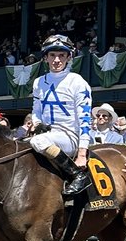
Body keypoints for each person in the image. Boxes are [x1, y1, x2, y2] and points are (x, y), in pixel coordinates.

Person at [28, 34, 92, 194]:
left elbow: (85, 119)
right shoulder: (39, 82)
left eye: (61, 55)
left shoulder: (77, 81)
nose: (57, 60)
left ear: (69, 57)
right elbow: (36, 111)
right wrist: (36, 123)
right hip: (49, 135)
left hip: (70, 137)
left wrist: (82, 153)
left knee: (38, 142)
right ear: (46, 58)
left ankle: (77, 175)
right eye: (52, 55)